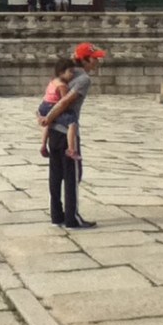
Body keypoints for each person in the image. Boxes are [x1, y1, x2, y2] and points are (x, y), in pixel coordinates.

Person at [38, 42, 105, 229]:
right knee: (72, 176)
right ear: (85, 60)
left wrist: (45, 118)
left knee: (55, 174)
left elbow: (49, 98)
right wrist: (49, 117)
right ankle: (71, 218)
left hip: (53, 132)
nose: (97, 62)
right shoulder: (83, 79)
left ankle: (56, 215)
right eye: (94, 59)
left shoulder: (63, 73)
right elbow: (65, 102)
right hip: (66, 131)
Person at [37, 58, 81, 161]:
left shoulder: (53, 81)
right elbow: (64, 101)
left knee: (48, 124)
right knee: (72, 123)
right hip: (52, 106)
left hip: (43, 105)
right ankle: (71, 149)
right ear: (61, 72)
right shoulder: (62, 86)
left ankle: (43, 144)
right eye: (70, 72)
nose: (72, 75)